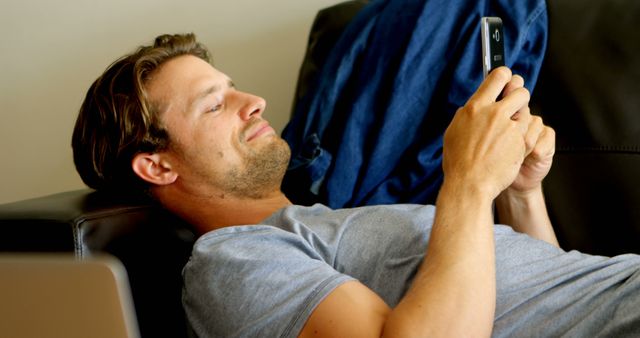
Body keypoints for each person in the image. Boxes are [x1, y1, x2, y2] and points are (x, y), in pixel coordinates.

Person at [72, 33, 640, 337]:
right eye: (216, 104)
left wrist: (518, 192)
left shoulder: (332, 220)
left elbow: (549, 296)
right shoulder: (233, 260)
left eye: (235, 87)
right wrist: (465, 183)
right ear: (158, 166)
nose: (255, 103)